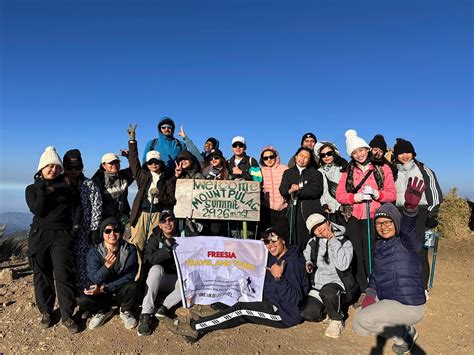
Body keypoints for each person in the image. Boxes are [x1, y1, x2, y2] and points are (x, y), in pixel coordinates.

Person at [164, 225, 310, 343]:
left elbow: (295, 299)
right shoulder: (274, 256)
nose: (270, 245)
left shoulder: (294, 263)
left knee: (240, 311)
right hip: (270, 297)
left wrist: (279, 279)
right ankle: (208, 316)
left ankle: (194, 328)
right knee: (236, 290)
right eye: (266, 242)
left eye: (274, 240)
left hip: (284, 313)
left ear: (283, 239)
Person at [352, 178, 427, 354]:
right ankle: (403, 332)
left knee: (363, 318)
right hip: (389, 300)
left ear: (396, 222)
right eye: (379, 223)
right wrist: (370, 293)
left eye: (388, 222)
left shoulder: (407, 242)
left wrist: (409, 210)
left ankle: (405, 334)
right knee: (359, 327)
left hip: (408, 305)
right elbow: (376, 276)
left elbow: (408, 228)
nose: (383, 227)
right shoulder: (380, 246)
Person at [25, 146, 81, 333]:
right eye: (49, 166)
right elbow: (39, 210)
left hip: (62, 235)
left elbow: (78, 207)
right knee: (42, 275)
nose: (53, 170)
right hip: (39, 234)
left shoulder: (67, 186)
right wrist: (42, 189)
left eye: (56, 166)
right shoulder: (31, 189)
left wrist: (75, 229)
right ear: (41, 167)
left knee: (63, 275)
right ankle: (46, 312)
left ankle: (67, 315)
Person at [335, 129, 396, 295]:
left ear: (367, 149)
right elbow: (340, 195)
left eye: (361, 150)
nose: (359, 154)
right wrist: (356, 197)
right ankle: (364, 290)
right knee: (358, 254)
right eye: (354, 152)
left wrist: (377, 194)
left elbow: (392, 194)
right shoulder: (347, 171)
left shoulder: (383, 168)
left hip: (375, 216)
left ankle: (379, 286)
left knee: (375, 253)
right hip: (353, 217)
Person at [392, 138, 443, 292]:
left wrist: (432, 214)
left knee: (419, 250)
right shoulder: (393, 170)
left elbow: (435, 193)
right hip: (399, 211)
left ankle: (422, 287)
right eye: (400, 153)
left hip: (420, 211)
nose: (404, 156)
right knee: (401, 250)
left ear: (413, 153)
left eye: (407, 152)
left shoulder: (423, 170)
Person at [127, 125, 175, 280]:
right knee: (137, 245)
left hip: (157, 215)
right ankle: (137, 279)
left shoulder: (166, 179)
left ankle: (150, 278)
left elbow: (170, 198)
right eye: (150, 162)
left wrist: (159, 198)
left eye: (156, 162)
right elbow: (133, 161)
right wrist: (132, 141)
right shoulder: (142, 176)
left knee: (152, 246)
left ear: (160, 163)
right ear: (147, 164)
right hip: (141, 215)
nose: (153, 165)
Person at [77, 217, 141, 330]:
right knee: (82, 299)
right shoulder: (94, 252)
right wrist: (106, 267)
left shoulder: (129, 249)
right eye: (108, 231)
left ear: (120, 233)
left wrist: (106, 287)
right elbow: (94, 278)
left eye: (116, 230)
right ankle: (104, 311)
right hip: (102, 294)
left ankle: (125, 310)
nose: (112, 234)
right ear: (102, 233)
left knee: (133, 286)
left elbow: (130, 275)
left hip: (120, 291)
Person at [301, 213, 357, 338]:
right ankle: (329, 308)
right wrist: (308, 263)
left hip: (338, 286)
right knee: (308, 313)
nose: (319, 229)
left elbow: (343, 265)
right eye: (315, 228)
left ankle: (337, 319)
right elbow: (306, 256)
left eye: (320, 224)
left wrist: (332, 239)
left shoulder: (344, 242)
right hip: (319, 285)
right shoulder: (313, 243)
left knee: (329, 292)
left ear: (328, 222)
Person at [137, 210, 185, 336]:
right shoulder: (155, 238)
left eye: (170, 220)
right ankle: (146, 313)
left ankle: (163, 307)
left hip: (176, 280)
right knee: (156, 269)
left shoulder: (184, 236)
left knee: (187, 282)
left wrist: (199, 230)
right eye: (164, 221)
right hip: (160, 279)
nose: (167, 223)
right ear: (159, 225)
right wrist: (165, 249)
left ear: (175, 222)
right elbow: (149, 259)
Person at [63, 149, 103, 292]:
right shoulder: (60, 184)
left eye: (78, 167)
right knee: (65, 264)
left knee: (82, 263)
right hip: (63, 231)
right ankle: (68, 296)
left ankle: (83, 295)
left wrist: (94, 229)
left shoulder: (89, 185)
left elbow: (97, 207)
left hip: (84, 232)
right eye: (69, 167)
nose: (73, 171)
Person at [279, 147, 323, 251]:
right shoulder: (288, 172)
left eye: (306, 157)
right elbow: (282, 189)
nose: (303, 159)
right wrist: (288, 189)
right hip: (293, 210)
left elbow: (316, 191)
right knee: (293, 237)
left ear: (309, 160)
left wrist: (299, 190)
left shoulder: (315, 173)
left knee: (309, 239)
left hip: (310, 210)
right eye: (301, 156)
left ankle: (310, 262)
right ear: (296, 157)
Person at [92, 152, 134, 225]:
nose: (114, 165)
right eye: (111, 163)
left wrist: (129, 156)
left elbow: (135, 169)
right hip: (106, 219)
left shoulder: (124, 175)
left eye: (117, 162)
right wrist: (115, 213)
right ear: (104, 165)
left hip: (124, 217)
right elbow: (96, 204)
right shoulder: (98, 180)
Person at [313, 141, 348, 225]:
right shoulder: (319, 172)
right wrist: (324, 205)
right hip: (329, 209)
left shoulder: (342, 168)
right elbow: (320, 191)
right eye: (323, 155)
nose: (326, 157)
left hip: (343, 208)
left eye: (329, 153)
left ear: (334, 153)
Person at [259, 146, 288, 231]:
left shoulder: (284, 168)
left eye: (271, 157)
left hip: (283, 208)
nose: (269, 159)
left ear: (276, 156)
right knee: (267, 234)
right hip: (267, 208)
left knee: (281, 234)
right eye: (265, 158)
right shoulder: (260, 171)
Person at [201, 148, 229, 236]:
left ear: (221, 159)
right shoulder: (205, 172)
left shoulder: (226, 172)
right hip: (206, 206)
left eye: (216, 158)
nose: (213, 160)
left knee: (216, 230)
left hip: (220, 208)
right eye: (211, 158)